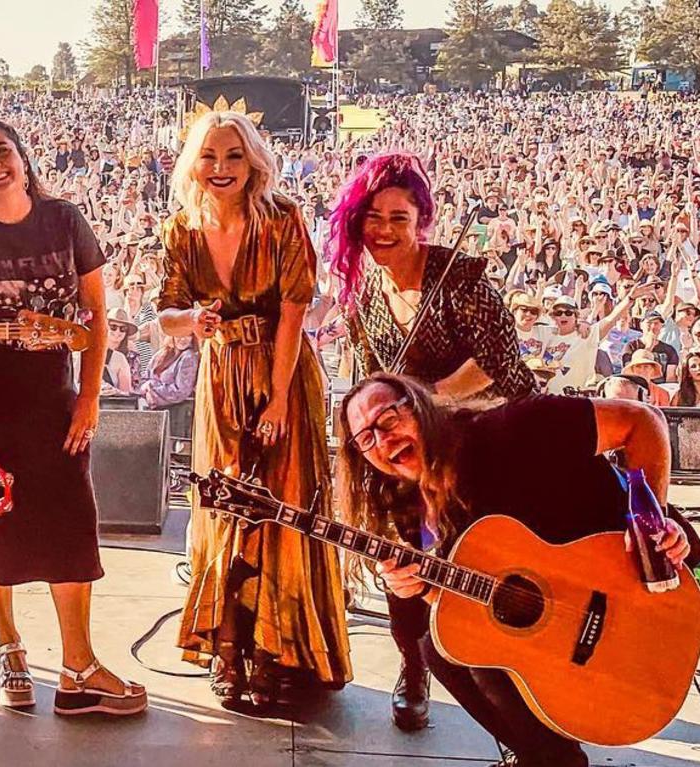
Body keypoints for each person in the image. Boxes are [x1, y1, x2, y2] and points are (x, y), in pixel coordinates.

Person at [339, 372, 696, 767]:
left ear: (419, 407)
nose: (383, 440)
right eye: (366, 438)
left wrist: (650, 521)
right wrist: (417, 586)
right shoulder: (409, 505)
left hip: (629, 581)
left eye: (387, 419)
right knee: (445, 646)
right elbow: (464, 596)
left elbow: (641, 421)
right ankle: (547, 758)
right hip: (565, 616)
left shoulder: (513, 429)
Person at [0, 119, 146, 716]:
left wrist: (90, 396)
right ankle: (9, 649)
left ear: (23, 159)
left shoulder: (64, 220)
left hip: (52, 400)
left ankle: (78, 669)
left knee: (70, 528)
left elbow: (97, 317)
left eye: (3, 152)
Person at [328, 152, 535, 732]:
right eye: (373, 217)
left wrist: (425, 406)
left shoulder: (461, 279)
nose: (385, 231)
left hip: (488, 434)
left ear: (422, 220)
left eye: (400, 217)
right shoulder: (362, 293)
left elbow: (496, 363)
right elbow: (374, 379)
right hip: (414, 446)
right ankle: (413, 664)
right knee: (403, 552)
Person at [158, 110, 352, 707]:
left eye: (234, 156)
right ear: (194, 162)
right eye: (210, 156)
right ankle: (227, 647)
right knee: (222, 510)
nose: (221, 169)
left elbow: (294, 313)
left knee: (283, 510)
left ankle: (277, 651)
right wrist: (195, 320)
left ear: (254, 163)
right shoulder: (182, 230)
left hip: (283, 372)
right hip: (219, 379)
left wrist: (275, 400)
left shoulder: (283, 219)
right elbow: (166, 315)